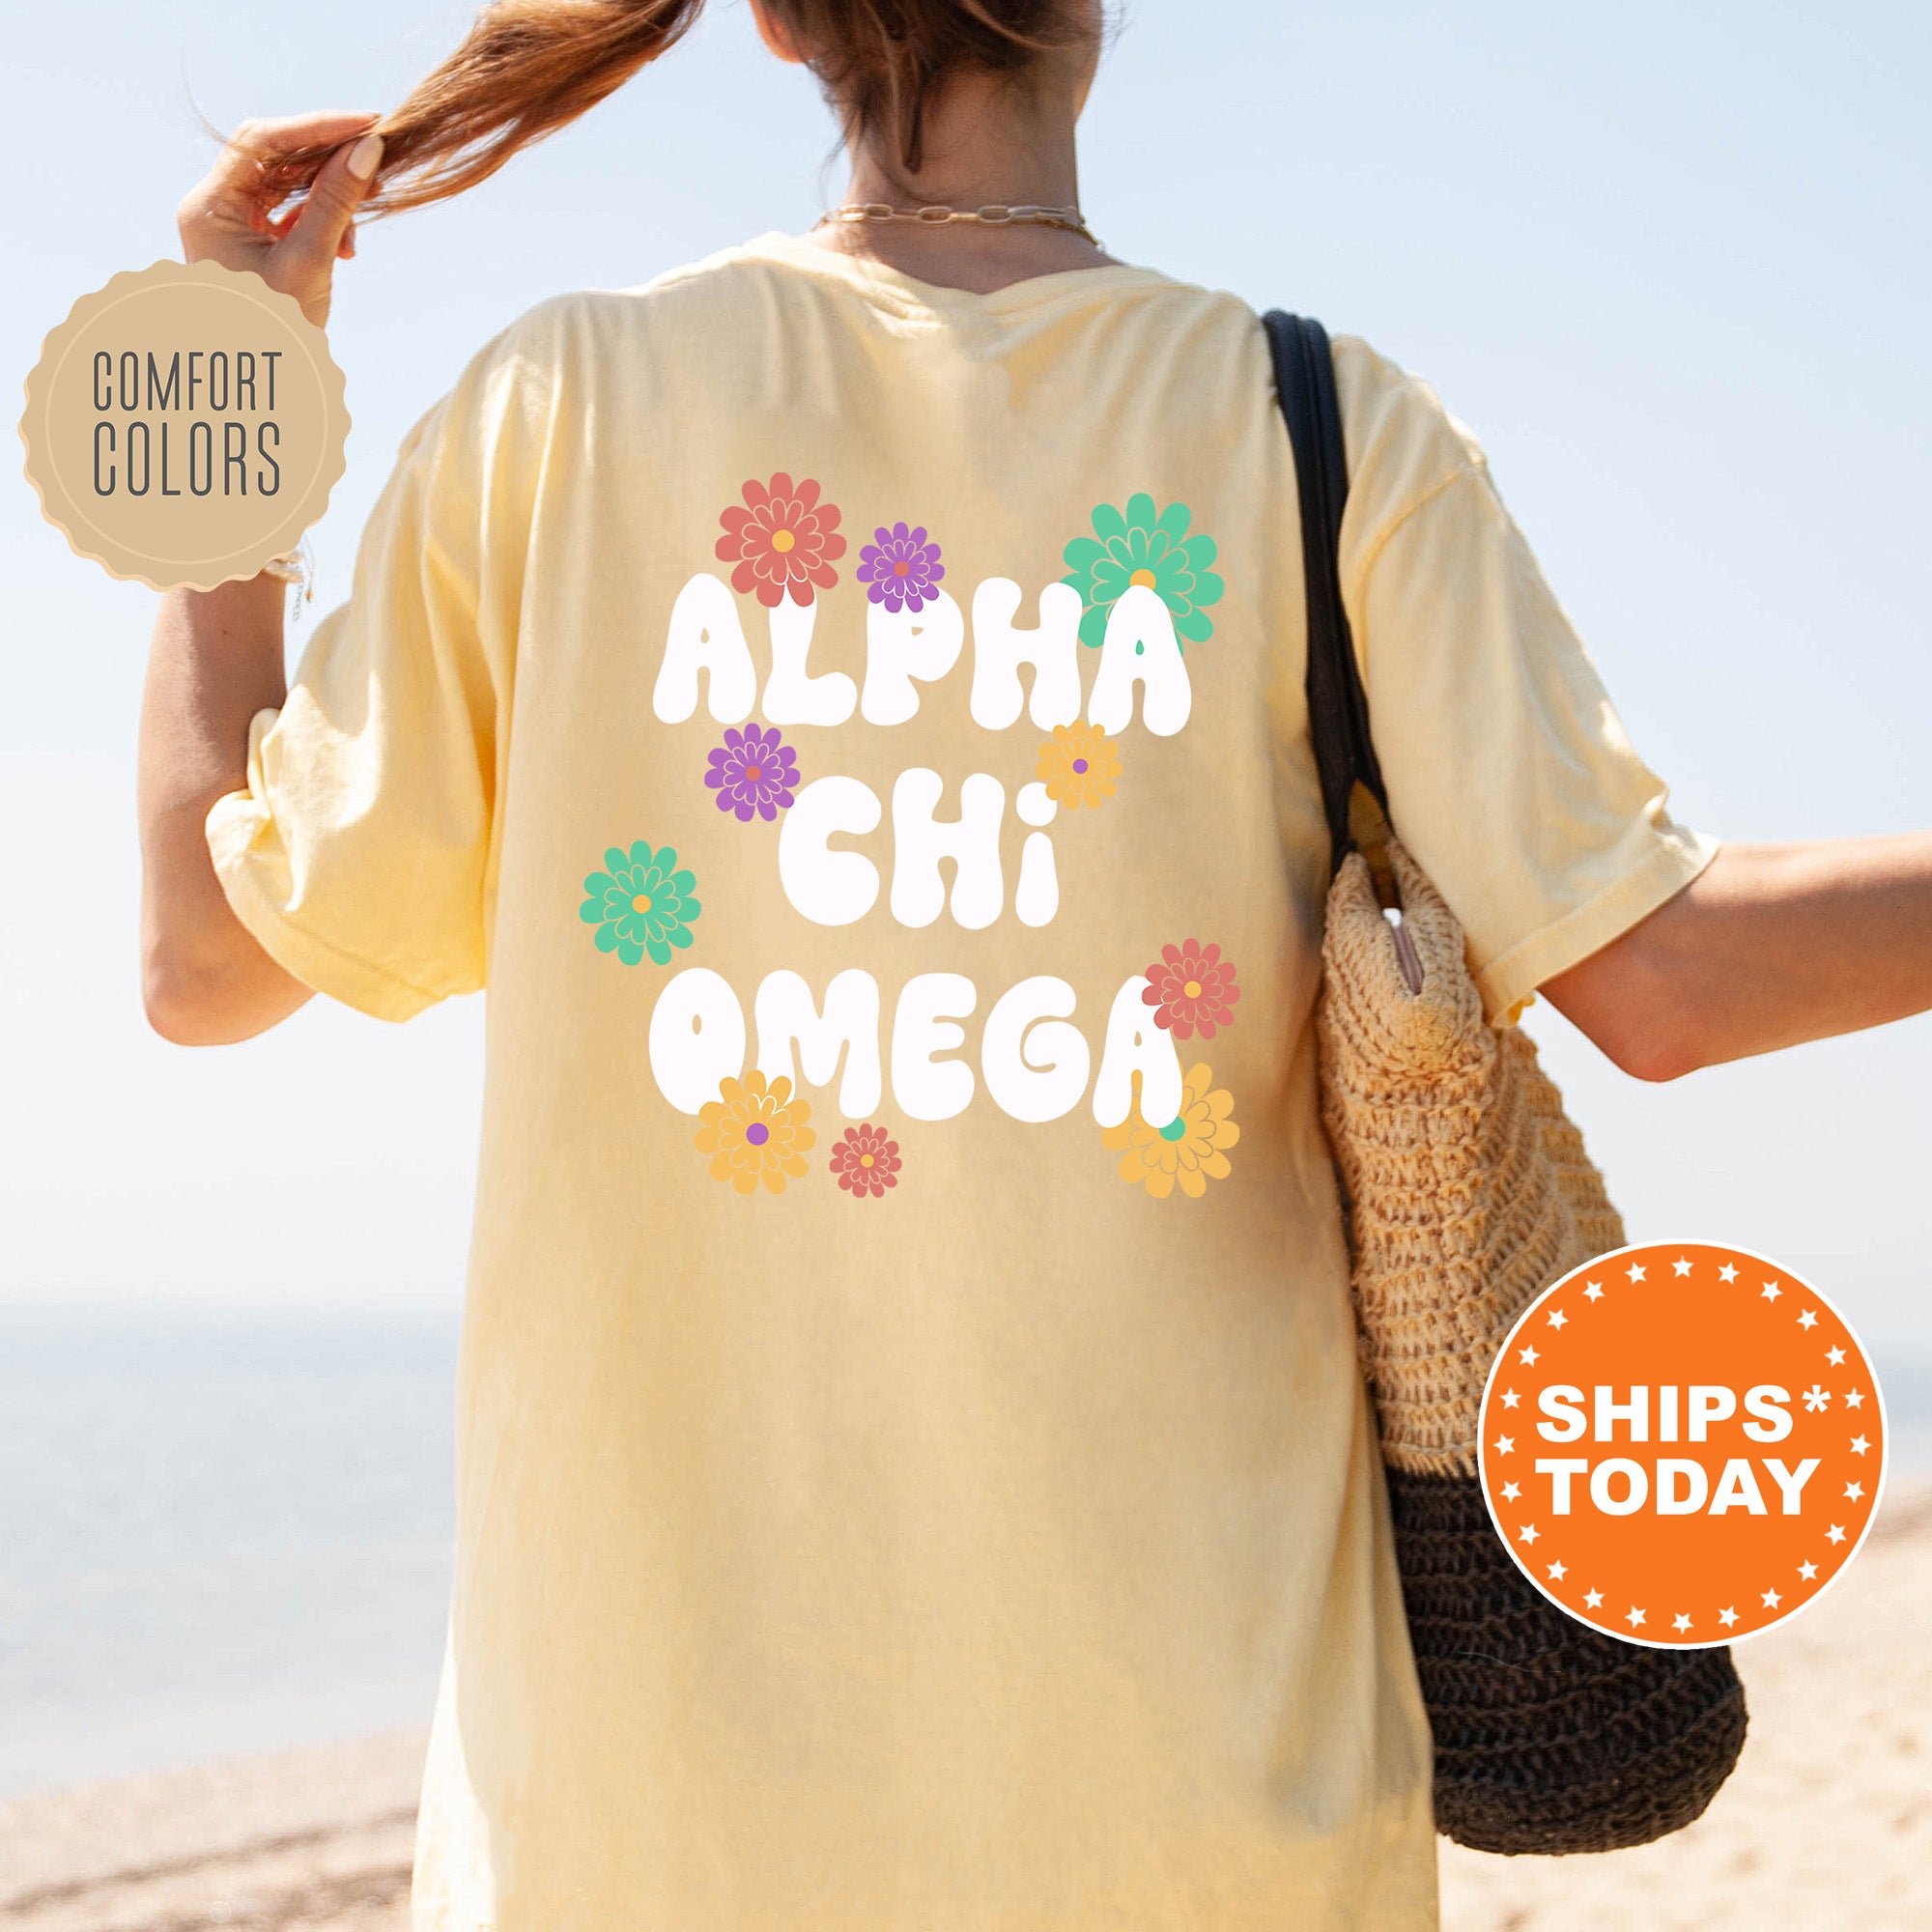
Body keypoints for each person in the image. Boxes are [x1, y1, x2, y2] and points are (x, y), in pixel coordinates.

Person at [139, 4, 1932, 1928]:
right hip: (1207, 1811)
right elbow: (1664, 981)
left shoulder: (558, 408)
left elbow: (205, 965)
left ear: (773, 24)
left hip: (637, 1829)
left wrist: (230, 372)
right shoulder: (1318, 433)